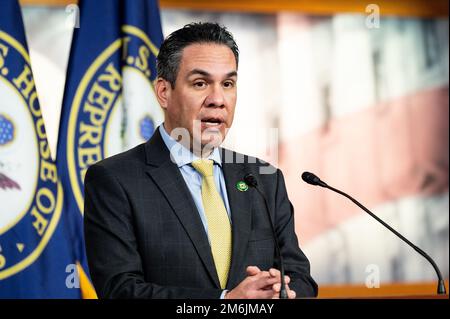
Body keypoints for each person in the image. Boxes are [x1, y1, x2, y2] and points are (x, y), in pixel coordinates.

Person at [84, 22, 318, 299]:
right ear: (164, 92)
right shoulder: (115, 180)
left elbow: (301, 278)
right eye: (200, 83)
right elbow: (120, 291)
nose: (218, 99)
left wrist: (282, 291)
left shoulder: (265, 178)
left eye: (228, 84)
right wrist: (225, 302)